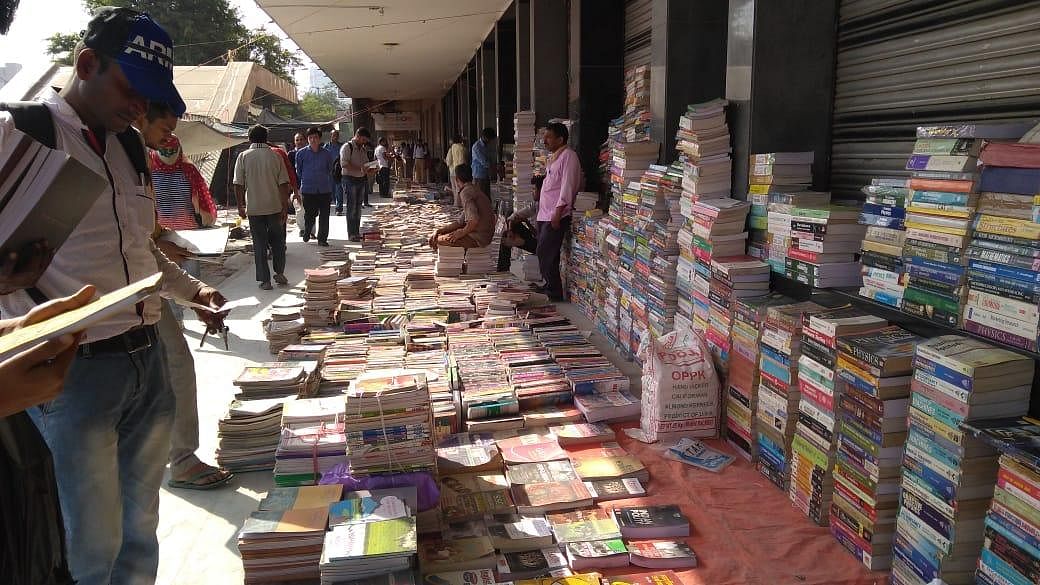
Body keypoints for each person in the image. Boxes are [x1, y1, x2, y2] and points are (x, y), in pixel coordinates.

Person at [0, 8, 229, 584]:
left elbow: (138, 250)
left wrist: (192, 289)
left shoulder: (130, 148)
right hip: (74, 371)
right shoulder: (20, 134)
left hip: (144, 355)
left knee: (140, 530)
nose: (139, 107)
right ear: (86, 63)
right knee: (93, 543)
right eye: (132, 88)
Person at [134, 104, 233, 492]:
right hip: (103, 305)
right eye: (164, 129)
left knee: (173, 365)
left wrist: (195, 291)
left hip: (146, 287)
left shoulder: (139, 160)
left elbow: (142, 243)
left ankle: (180, 457)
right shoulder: (113, 155)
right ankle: (175, 457)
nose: (168, 139)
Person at [234, 124, 290, 290]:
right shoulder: (276, 156)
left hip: (254, 208)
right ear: (266, 138)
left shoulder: (243, 156)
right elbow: (283, 184)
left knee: (259, 243)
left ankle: (265, 281)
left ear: (250, 138)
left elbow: (238, 184)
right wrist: (284, 207)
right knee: (278, 242)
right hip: (274, 207)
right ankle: (279, 272)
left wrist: (240, 206)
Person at [536, 122, 582, 302]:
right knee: (547, 253)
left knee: (545, 251)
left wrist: (559, 211)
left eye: (548, 137)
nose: (544, 140)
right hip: (544, 213)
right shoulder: (553, 157)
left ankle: (554, 291)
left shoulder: (569, 157)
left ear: (560, 139)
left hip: (555, 214)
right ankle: (550, 286)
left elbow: (568, 186)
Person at [150, 134, 217, 231]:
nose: (169, 152)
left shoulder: (189, 169)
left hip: (189, 228)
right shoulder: (150, 169)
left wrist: (207, 218)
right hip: (160, 231)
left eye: (172, 150)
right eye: (165, 150)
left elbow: (202, 196)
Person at [428, 165, 495, 250]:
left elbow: (474, 220)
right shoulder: (473, 189)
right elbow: (460, 222)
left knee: (436, 241)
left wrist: (462, 233)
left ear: (456, 179)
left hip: (479, 237)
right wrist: (440, 230)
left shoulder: (466, 192)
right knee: (441, 235)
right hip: (484, 235)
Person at [295, 126, 337, 246]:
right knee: (310, 214)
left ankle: (322, 238)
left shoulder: (327, 154)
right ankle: (307, 230)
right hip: (308, 189)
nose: (313, 140)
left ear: (320, 139)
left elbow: (330, 169)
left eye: (315, 137)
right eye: (310, 138)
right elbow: (299, 171)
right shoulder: (301, 154)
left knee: (324, 215)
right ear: (308, 139)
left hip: (324, 188)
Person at [340, 127, 373, 242]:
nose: (364, 142)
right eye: (363, 140)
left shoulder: (362, 149)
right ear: (357, 136)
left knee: (358, 207)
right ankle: (351, 233)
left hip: (361, 180)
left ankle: (356, 231)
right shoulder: (347, 147)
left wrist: (371, 169)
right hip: (350, 179)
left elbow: (365, 165)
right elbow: (344, 164)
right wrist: (359, 169)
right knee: (351, 207)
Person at [504, 174, 543, 254]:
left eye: (534, 189)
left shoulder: (547, 208)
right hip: (535, 236)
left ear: (542, 190)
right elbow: (513, 216)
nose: (532, 192)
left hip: (542, 244)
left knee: (506, 238)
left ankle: (520, 242)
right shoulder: (535, 204)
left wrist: (527, 223)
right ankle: (513, 240)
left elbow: (539, 235)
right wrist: (510, 231)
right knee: (509, 215)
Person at [287, 132, 308, 237]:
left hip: (310, 185)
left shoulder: (310, 153)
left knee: (310, 209)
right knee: (299, 209)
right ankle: (302, 229)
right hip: (297, 186)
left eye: (301, 139)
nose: (299, 142)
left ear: (305, 140)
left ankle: (311, 230)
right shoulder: (291, 154)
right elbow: (288, 171)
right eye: (297, 140)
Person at [472, 127, 497, 200]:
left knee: (486, 196)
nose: (490, 141)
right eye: (490, 139)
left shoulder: (486, 146)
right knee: (480, 196)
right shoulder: (477, 147)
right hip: (479, 175)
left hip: (485, 175)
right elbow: (484, 162)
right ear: (484, 137)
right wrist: (494, 168)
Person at [325, 129, 344, 215]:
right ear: (331, 136)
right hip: (329, 172)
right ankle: (330, 206)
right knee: (331, 191)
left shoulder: (342, 146)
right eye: (333, 135)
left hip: (339, 171)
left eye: (336, 135)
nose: (335, 137)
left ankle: (338, 209)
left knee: (339, 190)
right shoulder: (326, 147)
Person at [445, 134, 467, 206]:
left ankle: (456, 203)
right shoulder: (462, 148)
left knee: (455, 188)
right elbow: (464, 160)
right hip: (461, 171)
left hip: (453, 171)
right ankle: (460, 203)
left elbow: (449, 161)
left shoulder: (452, 148)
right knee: (460, 188)